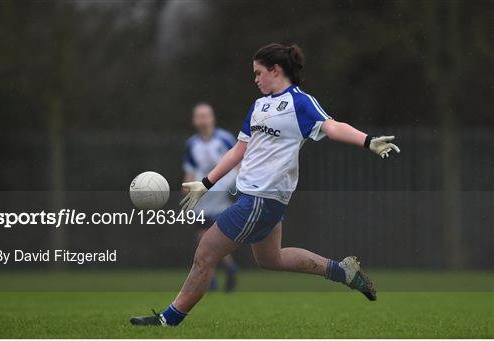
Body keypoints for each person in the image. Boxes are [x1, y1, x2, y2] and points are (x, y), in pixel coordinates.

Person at [131, 43, 400, 327]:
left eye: (259, 73)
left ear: (276, 70)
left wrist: (368, 140)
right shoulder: (259, 106)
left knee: (206, 252)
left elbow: (332, 126)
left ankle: (169, 319)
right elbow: (239, 150)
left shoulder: (300, 102)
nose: (256, 79)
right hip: (254, 197)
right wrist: (206, 183)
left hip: (260, 199)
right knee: (271, 258)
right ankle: (343, 271)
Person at [182, 102, 239, 292]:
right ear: (194, 120)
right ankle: (215, 278)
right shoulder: (192, 144)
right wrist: (187, 189)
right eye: (199, 116)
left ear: (212, 118)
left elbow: (238, 160)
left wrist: (237, 186)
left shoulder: (224, 139)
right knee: (202, 239)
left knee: (214, 240)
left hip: (223, 198)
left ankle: (226, 269)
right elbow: (190, 171)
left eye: (206, 115)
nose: (203, 119)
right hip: (202, 200)